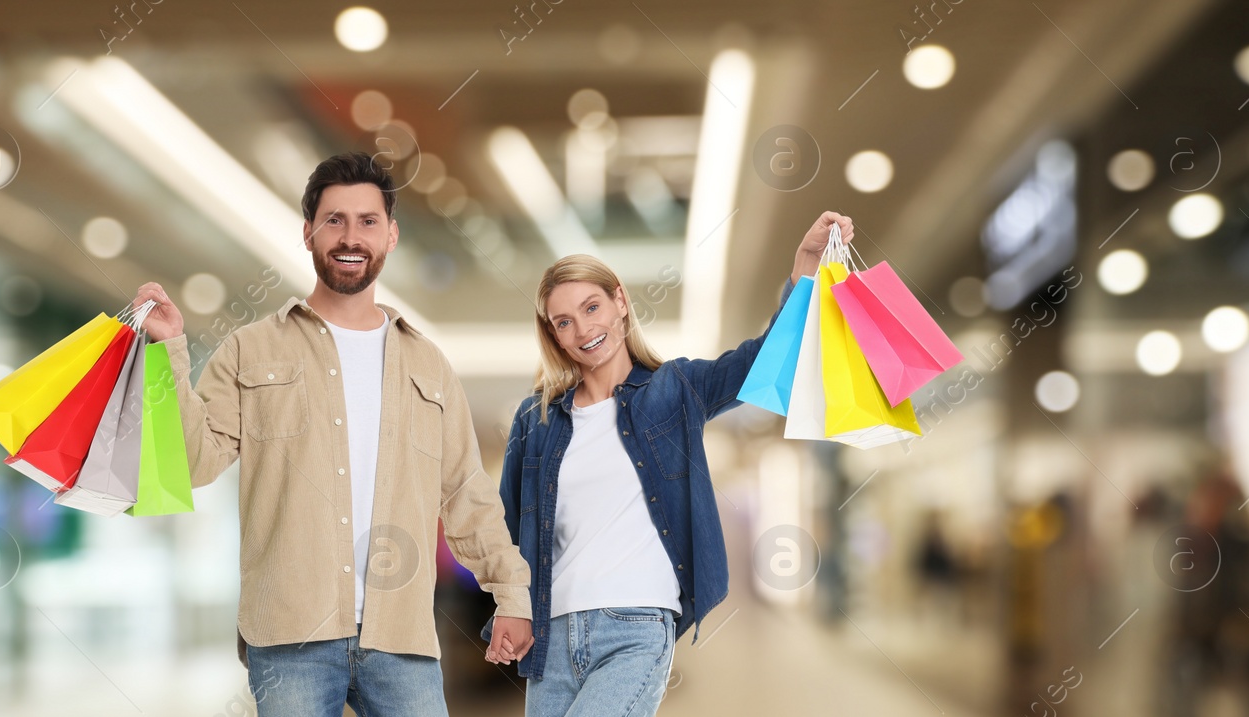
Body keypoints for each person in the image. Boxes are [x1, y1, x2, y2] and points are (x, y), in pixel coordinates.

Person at [130, 152, 533, 717]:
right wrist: (169, 350)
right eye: (334, 220)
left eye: (368, 221)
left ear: (391, 235)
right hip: (289, 638)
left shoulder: (428, 363)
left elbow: (467, 492)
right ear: (308, 233)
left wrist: (511, 593)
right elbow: (194, 464)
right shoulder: (251, 350)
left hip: (403, 641)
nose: (351, 236)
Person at [484, 211, 853, 716]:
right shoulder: (536, 418)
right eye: (563, 321)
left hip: (635, 625)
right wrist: (512, 606)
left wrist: (804, 271)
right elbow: (506, 530)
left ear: (620, 301)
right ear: (553, 334)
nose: (582, 329)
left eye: (592, 307)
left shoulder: (674, 389)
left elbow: (761, 360)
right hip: (551, 634)